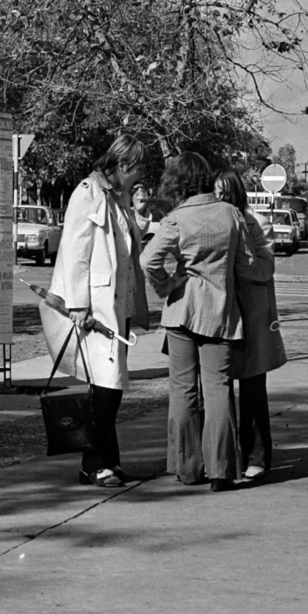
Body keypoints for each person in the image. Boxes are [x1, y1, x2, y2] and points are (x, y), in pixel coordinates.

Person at [41, 133, 153, 489]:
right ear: (121, 165)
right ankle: (93, 463)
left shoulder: (116, 198)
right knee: (107, 385)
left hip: (116, 304)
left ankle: (108, 460)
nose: (138, 178)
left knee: (109, 382)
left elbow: (125, 240)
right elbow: (75, 249)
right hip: (95, 306)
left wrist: (142, 217)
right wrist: (77, 304)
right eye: (136, 170)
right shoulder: (88, 192)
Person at [142, 151, 246, 490]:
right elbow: (246, 262)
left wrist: (169, 282)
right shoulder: (230, 213)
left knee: (182, 391)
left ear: (177, 182)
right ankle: (221, 471)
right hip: (220, 311)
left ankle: (187, 468)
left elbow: (148, 261)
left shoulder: (175, 219)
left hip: (181, 311)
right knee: (218, 390)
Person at [214, 169, 286, 482]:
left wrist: (240, 259)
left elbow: (266, 268)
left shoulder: (255, 221)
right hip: (221, 312)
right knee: (219, 387)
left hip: (252, 315)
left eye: (224, 193)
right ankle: (224, 455)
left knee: (253, 387)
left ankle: (256, 455)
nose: (219, 199)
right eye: (214, 193)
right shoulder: (213, 220)